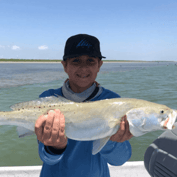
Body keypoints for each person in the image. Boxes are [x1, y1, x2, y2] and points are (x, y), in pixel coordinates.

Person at [35, 34, 133, 177]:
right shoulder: (48, 100)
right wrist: (55, 148)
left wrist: (113, 142)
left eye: (90, 61)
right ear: (65, 66)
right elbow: (47, 158)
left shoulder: (113, 101)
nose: (83, 68)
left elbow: (119, 160)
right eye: (76, 61)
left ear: (99, 65)